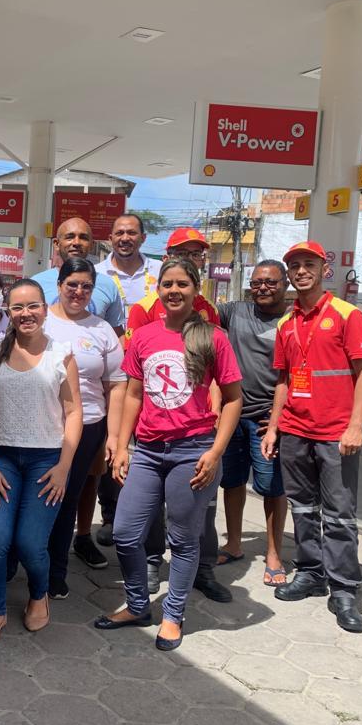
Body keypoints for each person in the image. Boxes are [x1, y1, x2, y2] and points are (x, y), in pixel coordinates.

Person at [98, 258, 242, 651]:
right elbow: (132, 394)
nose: (174, 291)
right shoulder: (144, 336)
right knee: (125, 533)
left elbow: (233, 399)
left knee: (183, 538)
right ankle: (137, 606)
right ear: (158, 289)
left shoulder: (213, 337)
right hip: (147, 451)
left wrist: (216, 451)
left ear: (196, 289)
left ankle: (173, 614)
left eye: (182, 284)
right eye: (167, 284)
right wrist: (123, 445)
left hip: (192, 451)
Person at [262, 241, 362, 634]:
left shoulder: (347, 315)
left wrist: (356, 424)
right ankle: (311, 572)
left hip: (336, 433)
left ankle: (344, 588)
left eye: (308, 264)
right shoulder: (286, 323)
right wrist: (274, 426)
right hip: (295, 430)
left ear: (324, 269)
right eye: (294, 265)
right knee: (302, 508)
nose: (301, 271)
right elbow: (283, 379)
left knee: (340, 514)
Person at [0, 279, 83, 645]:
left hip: (46, 460)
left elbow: (74, 412)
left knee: (31, 545)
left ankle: (38, 595)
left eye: (33, 305)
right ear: (8, 311)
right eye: (17, 307)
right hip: (1, 458)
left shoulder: (61, 354)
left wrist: (64, 466)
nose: (25, 313)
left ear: (45, 309)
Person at [124, 227, 229, 602]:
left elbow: (214, 374)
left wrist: (215, 417)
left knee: (202, 506)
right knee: (150, 507)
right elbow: (137, 379)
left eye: (197, 254)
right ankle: (153, 561)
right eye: (184, 252)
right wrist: (122, 440)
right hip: (154, 430)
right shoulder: (144, 310)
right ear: (166, 259)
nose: (192, 258)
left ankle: (203, 568)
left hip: (197, 433)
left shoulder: (208, 311)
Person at [43, 258, 126, 598]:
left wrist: (114, 437)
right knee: (35, 498)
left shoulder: (101, 330)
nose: (78, 292)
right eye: (72, 284)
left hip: (88, 427)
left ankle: (55, 572)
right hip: (40, 426)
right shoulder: (39, 320)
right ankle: (19, 563)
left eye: (86, 286)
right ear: (59, 285)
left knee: (66, 499)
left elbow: (117, 386)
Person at [216, 260, 290, 587]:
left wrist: (280, 418)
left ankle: (274, 554)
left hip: (267, 421)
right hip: (232, 415)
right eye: (257, 282)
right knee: (231, 482)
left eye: (270, 282)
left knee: (272, 487)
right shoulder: (235, 311)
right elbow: (199, 309)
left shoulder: (293, 320)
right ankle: (233, 543)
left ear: (285, 284)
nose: (262, 287)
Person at [93, 214, 163, 548]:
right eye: (119, 232)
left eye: (131, 233)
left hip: (157, 371)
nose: (125, 238)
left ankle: (150, 516)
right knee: (114, 440)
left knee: (150, 445)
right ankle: (112, 515)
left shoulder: (160, 272)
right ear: (110, 237)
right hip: (113, 373)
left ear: (143, 238)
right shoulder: (95, 274)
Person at [32, 218, 125, 333]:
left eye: (83, 238)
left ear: (92, 245)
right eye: (69, 237)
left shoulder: (108, 285)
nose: (76, 243)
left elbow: (117, 333)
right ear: (56, 244)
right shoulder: (36, 284)